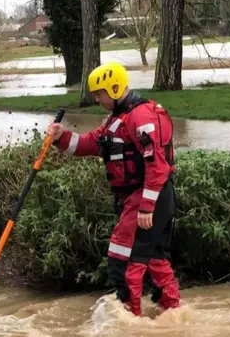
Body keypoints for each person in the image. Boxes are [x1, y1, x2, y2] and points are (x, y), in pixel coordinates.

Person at [46, 61, 181, 317]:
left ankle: (130, 320)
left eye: (99, 93)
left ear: (115, 88)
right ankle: (171, 313)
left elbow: (156, 165)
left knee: (123, 259)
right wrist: (61, 137)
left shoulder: (140, 117)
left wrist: (146, 208)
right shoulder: (116, 119)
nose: (95, 98)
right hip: (141, 198)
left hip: (148, 198)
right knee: (152, 257)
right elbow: (91, 143)